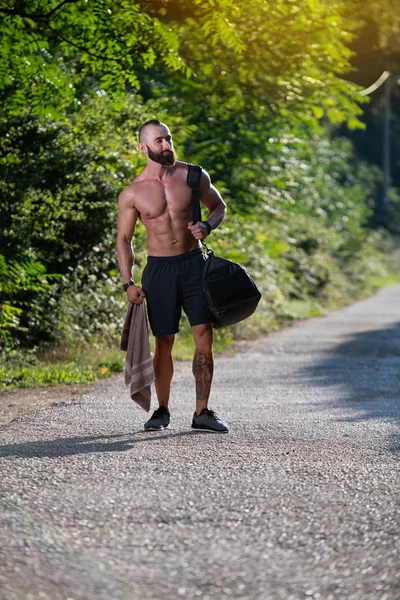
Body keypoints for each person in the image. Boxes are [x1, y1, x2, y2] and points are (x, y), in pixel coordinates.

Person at [116, 119, 229, 433]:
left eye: (168, 139)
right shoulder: (133, 193)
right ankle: (162, 410)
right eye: (158, 142)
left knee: (204, 337)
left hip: (194, 266)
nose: (166, 146)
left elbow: (219, 206)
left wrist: (207, 226)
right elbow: (123, 240)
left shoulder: (193, 176)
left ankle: (202, 412)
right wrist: (128, 282)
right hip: (160, 271)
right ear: (143, 148)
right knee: (163, 341)